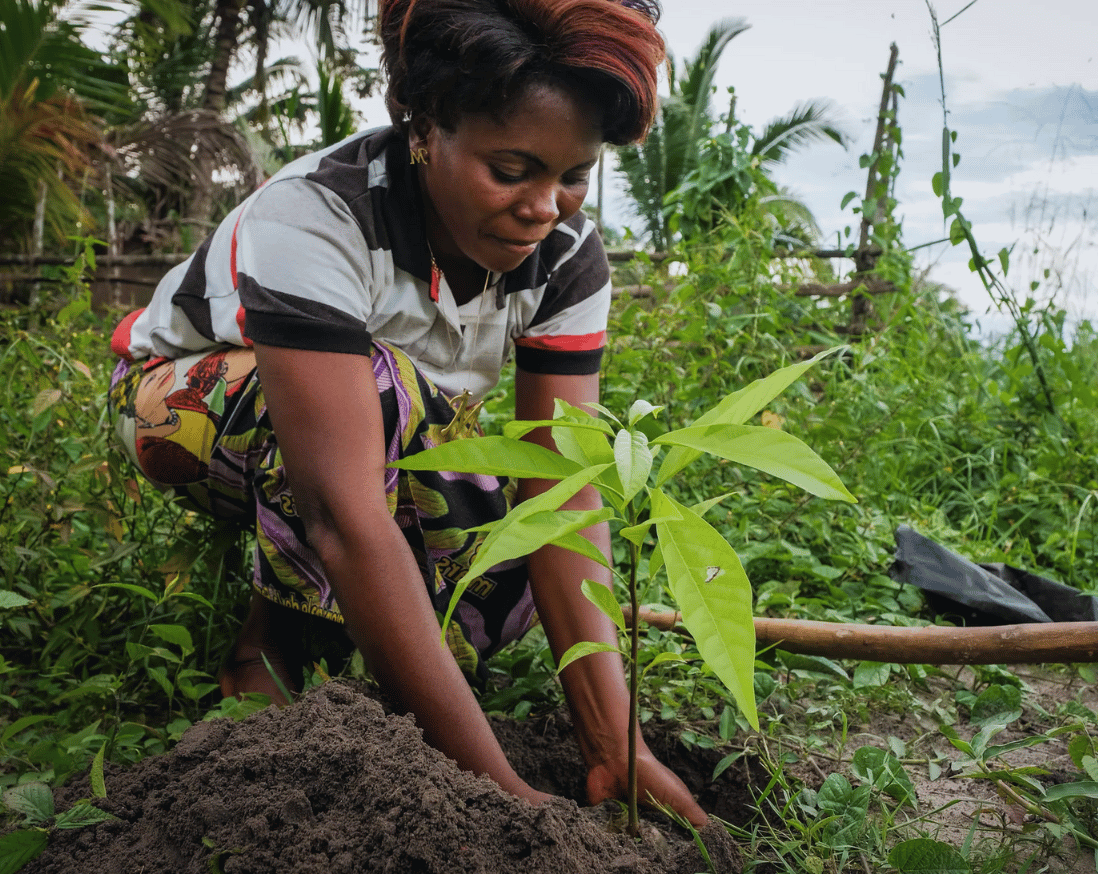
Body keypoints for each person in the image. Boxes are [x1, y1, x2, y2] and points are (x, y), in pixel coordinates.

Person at [107, 0, 706, 826]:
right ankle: (265, 652)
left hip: (379, 421)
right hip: (184, 406)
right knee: (376, 396)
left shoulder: (568, 259)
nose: (545, 207)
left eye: (573, 176)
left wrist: (615, 745)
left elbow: (561, 488)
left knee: (495, 559)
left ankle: (352, 653)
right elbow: (344, 512)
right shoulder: (321, 213)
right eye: (512, 169)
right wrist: (503, 796)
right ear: (424, 128)